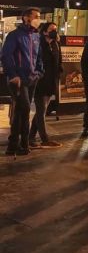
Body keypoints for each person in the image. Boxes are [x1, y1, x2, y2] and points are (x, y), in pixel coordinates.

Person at [2, 8, 43, 155]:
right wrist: (13, 75)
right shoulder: (15, 35)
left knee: (20, 111)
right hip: (18, 79)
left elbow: (38, 56)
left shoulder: (36, 36)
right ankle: (24, 144)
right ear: (26, 18)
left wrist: (39, 72)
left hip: (32, 78)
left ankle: (13, 144)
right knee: (25, 109)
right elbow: (6, 55)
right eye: (36, 16)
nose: (39, 19)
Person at [29, 22, 63, 149]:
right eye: (51, 29)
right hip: (40, 82)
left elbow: (59, 61)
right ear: (44, 32)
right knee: (41, 110)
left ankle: (30, 138)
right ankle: (44, 139)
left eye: (56, 29)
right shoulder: (38, 44)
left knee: (40, 111)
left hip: (51, 82)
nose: (55, 31)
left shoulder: (55, 44)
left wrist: (59, 73)